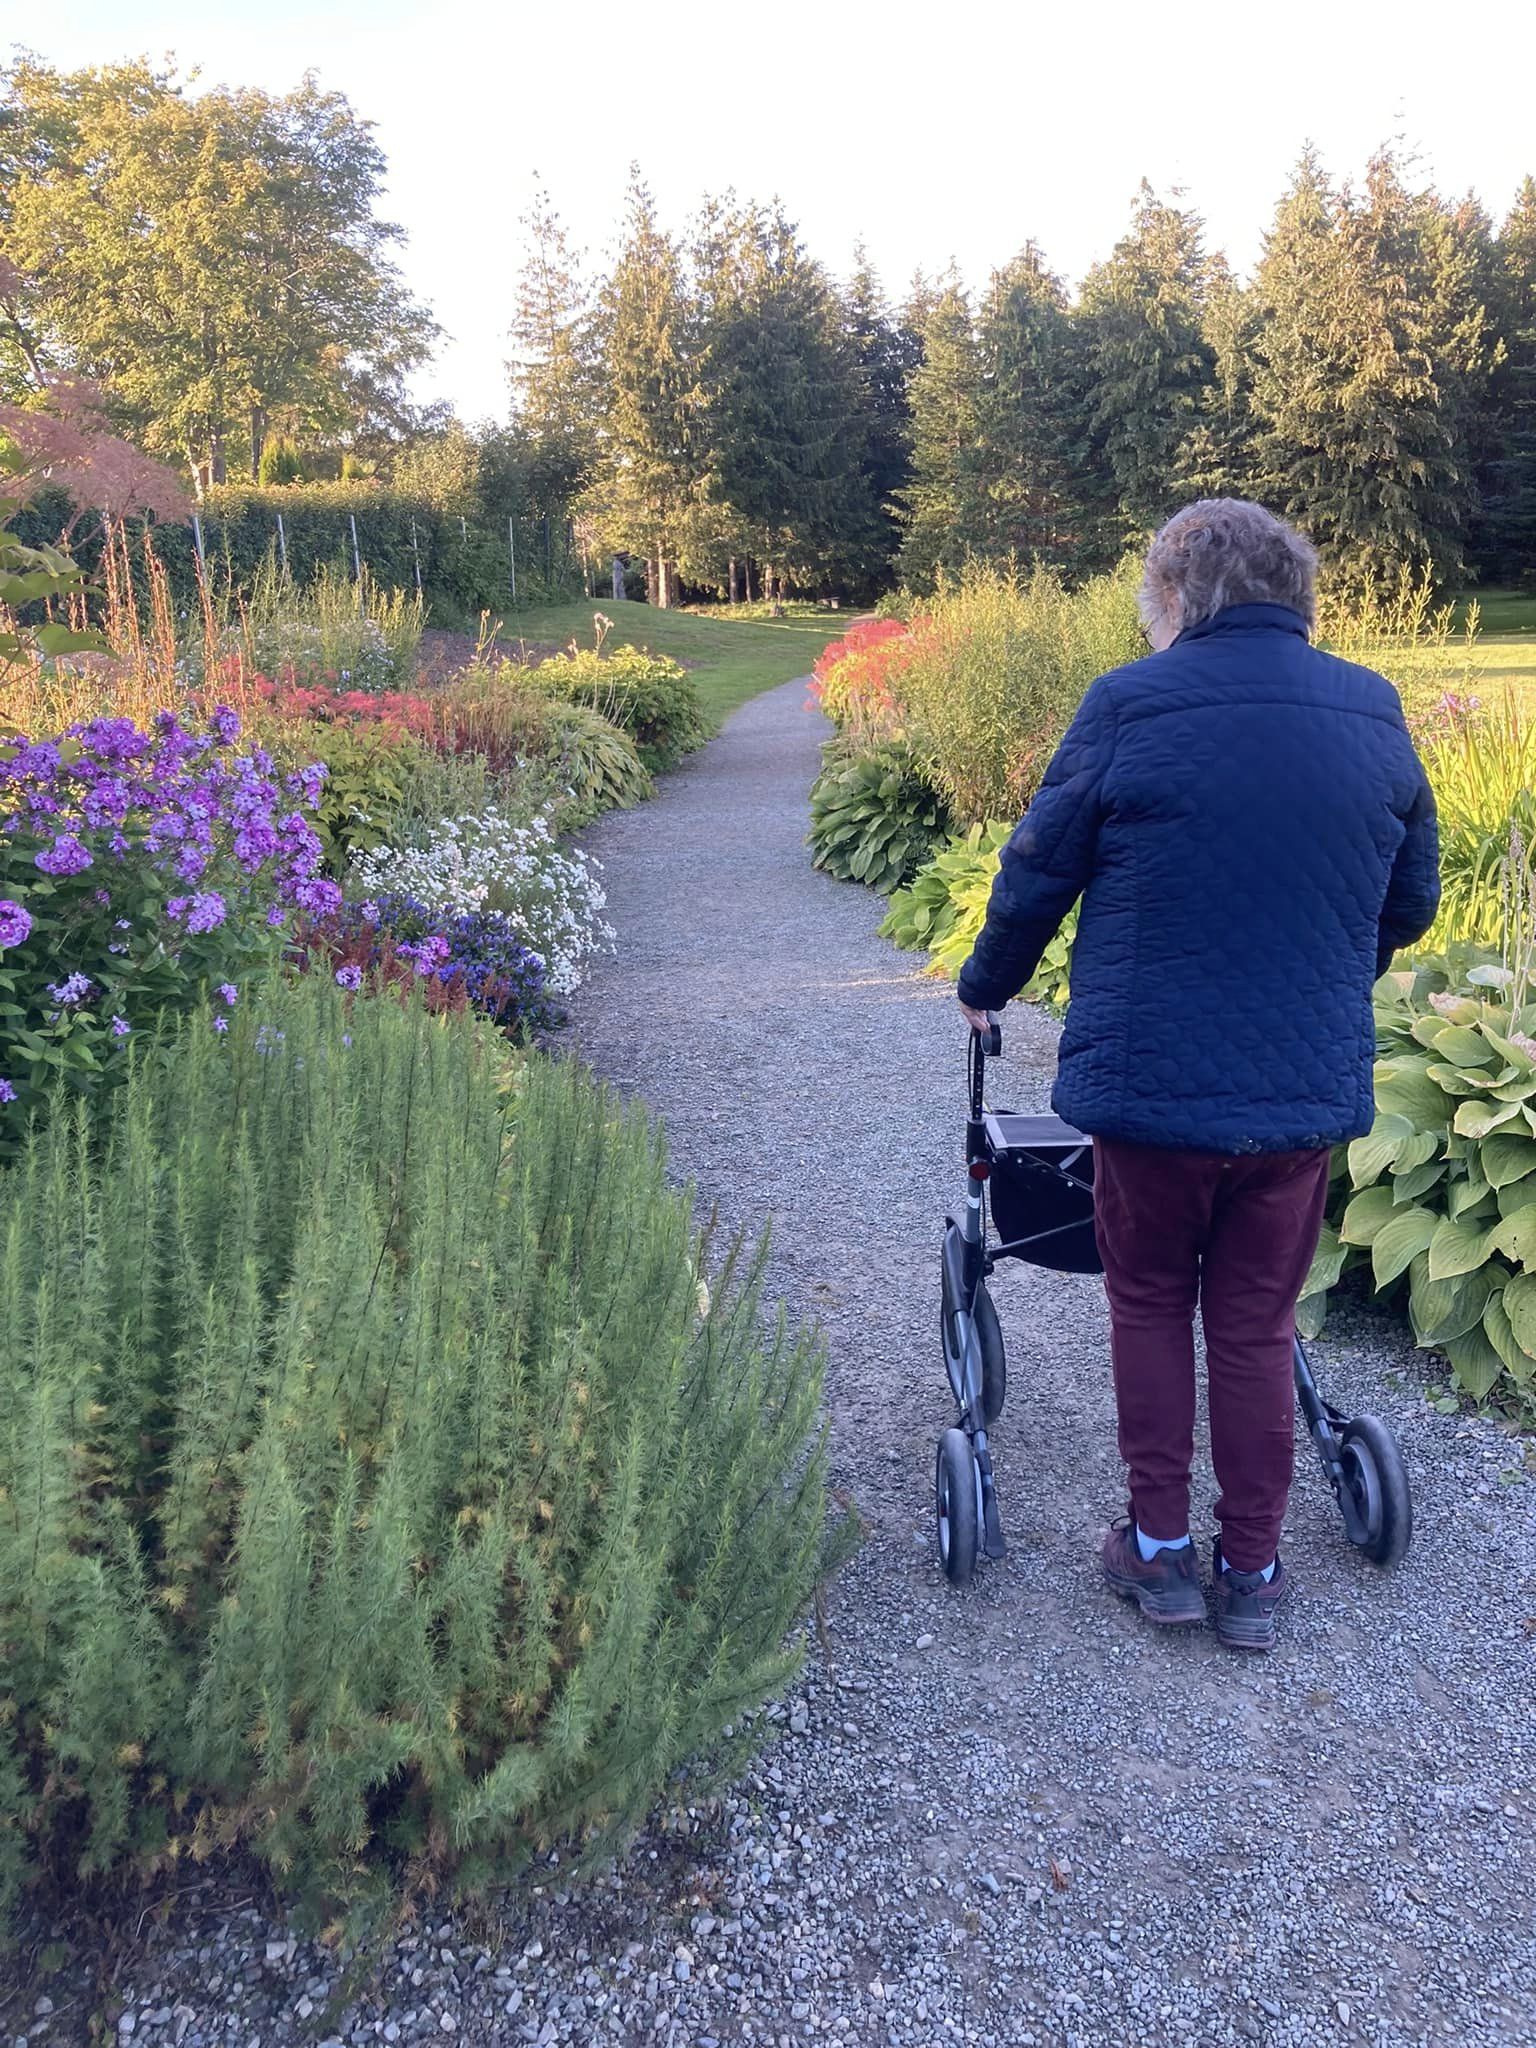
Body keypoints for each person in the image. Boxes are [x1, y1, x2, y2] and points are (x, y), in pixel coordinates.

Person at [956, 500, 1440, 1652]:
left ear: (1176, 594)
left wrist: (988, 981)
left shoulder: (1131, 703)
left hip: (1153, 1088)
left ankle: (1161, 1550)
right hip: (1296, 1096)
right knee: (1259, 1322)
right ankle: (1256, 1570)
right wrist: (1327, 968)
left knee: (1151, 1302)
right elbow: (1410, 898)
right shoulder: (1370, 708)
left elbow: (1038, 868)